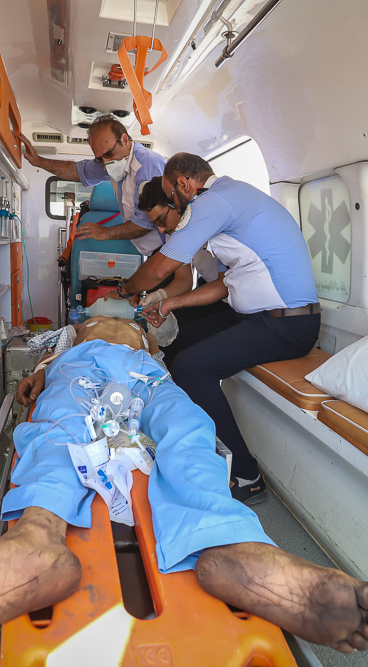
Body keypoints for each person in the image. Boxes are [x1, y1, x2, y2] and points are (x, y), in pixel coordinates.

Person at [0, 317, 368, 655]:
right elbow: (44, 367)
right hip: (79, 369)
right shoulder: (73, 331)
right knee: (57, 426)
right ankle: (35, 540)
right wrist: (43, 372)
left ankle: (233, 547)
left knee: (187, 430)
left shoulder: (144, 333)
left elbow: (165, 347)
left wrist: (148, 333)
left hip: (147, 375)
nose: (110, 310)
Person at [115, 153, 320, 505]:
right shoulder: (228, 201)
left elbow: (158, 269)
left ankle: (246, 474)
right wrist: (168, 304)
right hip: (259, 316)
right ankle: (192, 441)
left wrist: (125, 290)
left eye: (172, 196)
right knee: (179, 345)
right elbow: (225, 284)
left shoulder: (213, 202)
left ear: (183, 185)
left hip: (288, 324)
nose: (174, 208)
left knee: (190, 368)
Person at [19, 116, 166, 254]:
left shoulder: (147, 166)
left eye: (108, 154)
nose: (105, 163)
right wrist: (40, 161)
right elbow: (75, 170)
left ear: (125, 140)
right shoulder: (113, 161)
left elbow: (146, 223)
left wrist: (104, 232)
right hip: (152, 251)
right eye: (100, 159)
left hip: (166, 245)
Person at [134, 178, 238, 366]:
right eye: (156, 224)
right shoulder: (173, 232)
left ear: (177, 204)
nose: (161, 229)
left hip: (234, 299)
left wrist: (168, 302)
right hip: (212, 290)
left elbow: (224, 286)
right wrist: (160, 296)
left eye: (162, 220)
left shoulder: (211, 224)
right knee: (168, 330)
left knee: (183, 341)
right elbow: (184, 280)